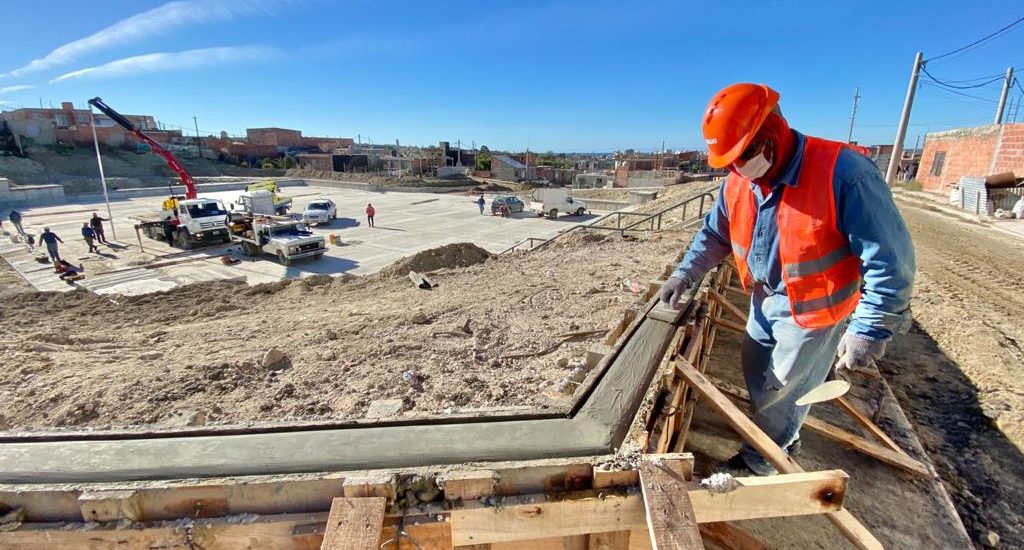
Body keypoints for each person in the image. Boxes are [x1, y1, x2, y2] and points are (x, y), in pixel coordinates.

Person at [660, 83, 915, 476]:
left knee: (783, 391)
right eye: (729, 161)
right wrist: (685, 273)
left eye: (743, 156)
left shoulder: (845, 175)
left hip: (815, 313)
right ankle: (783, 433)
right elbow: (715, 235)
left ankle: (761, 459)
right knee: (758, 372)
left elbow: (890, 261)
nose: (737, 167)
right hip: (764, 301)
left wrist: (871, 329)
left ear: (771, 133)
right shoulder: (739, 181)